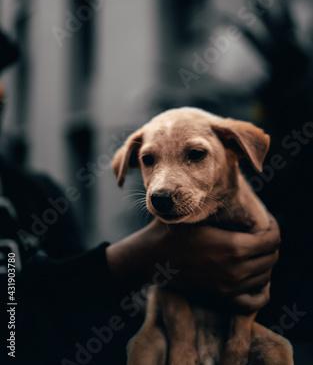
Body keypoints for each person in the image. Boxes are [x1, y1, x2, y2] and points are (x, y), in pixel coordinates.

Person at [0, 29, 281, 365]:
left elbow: (85, 330)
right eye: (149, 159)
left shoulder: (36, 193)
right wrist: (133, 262)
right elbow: (12, 338)